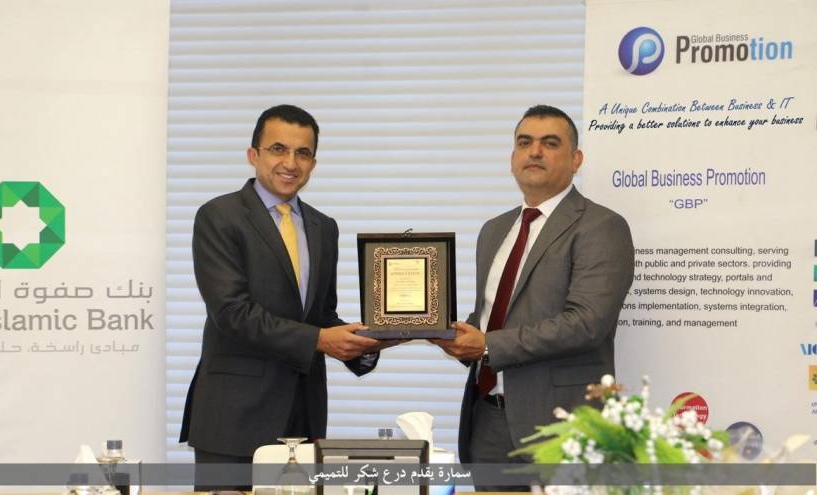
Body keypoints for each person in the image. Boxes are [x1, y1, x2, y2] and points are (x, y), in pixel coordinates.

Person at [179, 105, 392, 486]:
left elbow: (321, 315)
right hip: (234, 418)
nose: (291, 163)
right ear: (253, 155)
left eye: (303, 153)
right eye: (278, 149)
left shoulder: (324, 227)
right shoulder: (219, 216)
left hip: (303, 416)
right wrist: (320, 340)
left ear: (313, 163)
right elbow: (232, 312)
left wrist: (375, 337)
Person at [433, 104, 634, 488]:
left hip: (562, 426)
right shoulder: (494, 230)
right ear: (513, 158)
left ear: (576, 159)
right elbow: (491, 317)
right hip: (487, 421)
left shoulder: (601, 226)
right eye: (524, 143)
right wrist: (443, 331)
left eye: (550, 143)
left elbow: (587, 323)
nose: (535, 152)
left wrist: (486, 345)